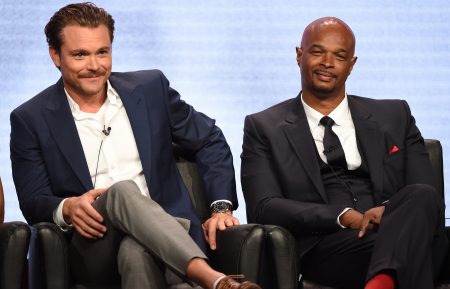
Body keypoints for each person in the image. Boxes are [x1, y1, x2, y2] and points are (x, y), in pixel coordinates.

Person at [10, 3, 261, 289]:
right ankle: (212, 279)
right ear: (55, 55)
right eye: (80, 55)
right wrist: (67, 207)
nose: (94, 66)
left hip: (169, 235)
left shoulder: (150, 88)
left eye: (102, 52)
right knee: (122, 191)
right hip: (93, 246)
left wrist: (220, 207)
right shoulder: (30, 119)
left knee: (135, 249)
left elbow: (209, 138)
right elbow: (33, 200)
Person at [241, 17, 447, 289]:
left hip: (395, 228)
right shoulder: (264, 126)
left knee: (421, 195)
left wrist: (387, 212)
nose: (328, 62)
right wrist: (343, 216)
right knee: (421, 248)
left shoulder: (396, 115)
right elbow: (264, 207)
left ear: (352, 65)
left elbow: (427, 194)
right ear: (299, 55)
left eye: (340, 56)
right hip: (327, 244)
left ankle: (382, 281)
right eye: (317, 52)